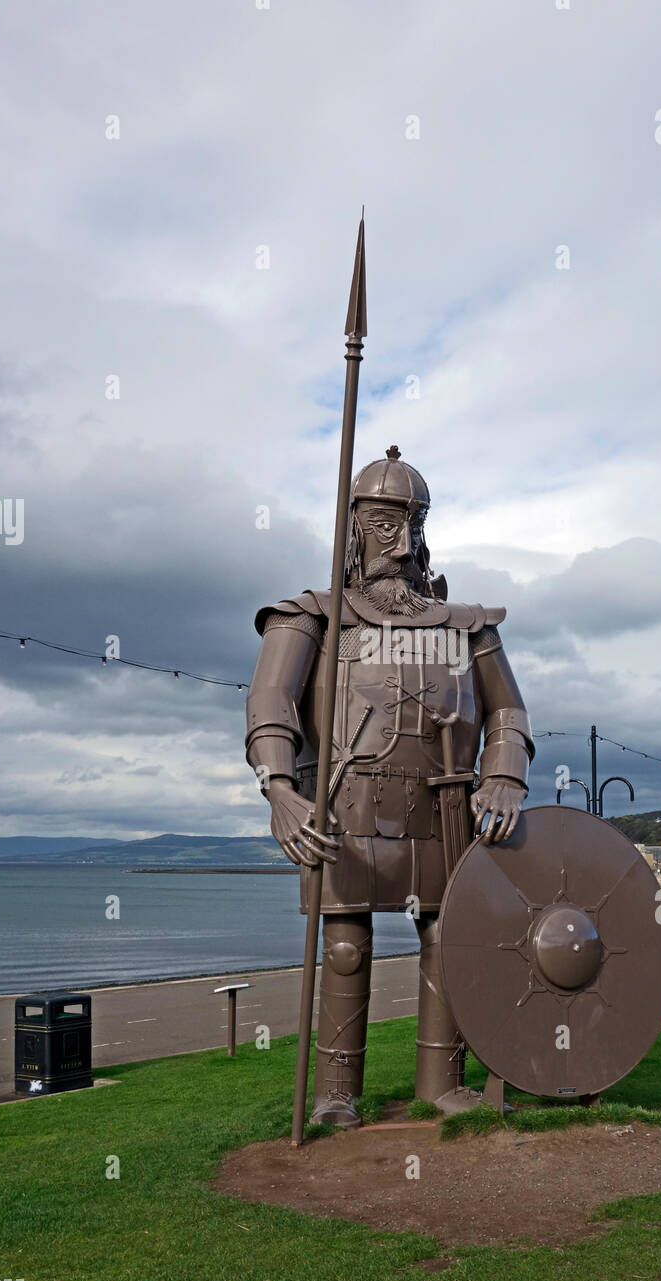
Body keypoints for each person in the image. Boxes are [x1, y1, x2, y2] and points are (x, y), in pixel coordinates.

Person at [245, 448, 533, 1127]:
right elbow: (269, 703)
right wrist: (278, 788)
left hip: (445, 811)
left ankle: (441, 1084)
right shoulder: (310, 617)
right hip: (345, 810)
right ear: (353, 526)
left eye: (413, 522)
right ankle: (336, 1096)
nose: (401, 543)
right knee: (345, 948)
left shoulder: (468, 627)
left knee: (446, 940)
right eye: (382, 523)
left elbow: (509, 713)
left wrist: (503, 777)